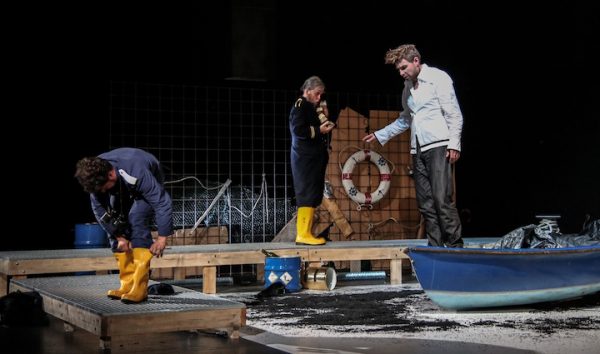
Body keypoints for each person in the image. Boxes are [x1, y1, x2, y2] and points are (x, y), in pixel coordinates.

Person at [363, 44, 464, 247]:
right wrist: (380, 134)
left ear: (416, 61)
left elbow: (454, 113)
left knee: (441, 199)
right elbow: (405, 119)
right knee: (425, 203)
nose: (401, 73)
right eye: (399, 69)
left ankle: (454, 245)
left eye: (404, 67)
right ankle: (435, 246)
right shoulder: (408, 86)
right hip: (417, 149)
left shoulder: (438, 78)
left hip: (438, 145)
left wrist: (455, 143)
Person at [75, 147, 174, 303]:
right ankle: (126, 284)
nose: (102, 191)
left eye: (103, 188)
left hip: (148, 172)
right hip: (122, 181)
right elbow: (100, 210)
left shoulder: (137, 171)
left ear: (111, 174)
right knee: (114, 221)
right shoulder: (95, 176)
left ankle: (139, 288)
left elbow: (162, 202)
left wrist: (162, 238)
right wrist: (119, 236)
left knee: (136, 217)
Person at [289, 76, 335, 245]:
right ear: (307, 91)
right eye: (316, 94)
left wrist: (324, 120)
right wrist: (318, 130)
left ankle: (306, 233)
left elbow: (322, 125)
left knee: (313, 193)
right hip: (304, 159)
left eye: (320, 95)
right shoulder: (300, 105)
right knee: (306, 194)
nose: (318, 98)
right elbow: (298, 130)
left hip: (313, 159)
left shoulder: (312, 107)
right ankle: (302, 234)